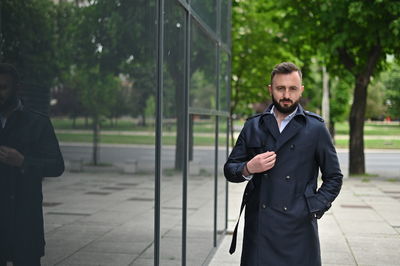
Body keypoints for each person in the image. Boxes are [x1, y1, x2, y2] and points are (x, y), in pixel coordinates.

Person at [224, 62, 343, 266]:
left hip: (298, 228)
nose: (286, 95)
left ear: (301, 90)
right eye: (280, 88)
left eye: (292, 89)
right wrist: (248, 168)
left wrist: (312, 207)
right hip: (260, 227)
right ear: (271, 89)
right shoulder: (254, 126)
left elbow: (334, 177)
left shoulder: (315, 128)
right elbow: (230, 169)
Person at [0, 63, 64, 266]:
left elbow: (56, 165)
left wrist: (23, 162)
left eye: (3, 87)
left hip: (24, 220)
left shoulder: (38, 122)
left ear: (17, 88)